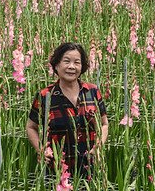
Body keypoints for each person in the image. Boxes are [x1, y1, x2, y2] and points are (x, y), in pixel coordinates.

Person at [26, 42, 109, 177]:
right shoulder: (45, 96)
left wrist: (99, 145)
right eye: (66, 61)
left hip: (89, 166)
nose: (71, 66)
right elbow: (31, 127)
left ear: (82, 67)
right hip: (56, 169)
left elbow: (104, 124)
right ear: (57, 65)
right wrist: (41, 149)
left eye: (77, 62)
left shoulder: (92, 91)